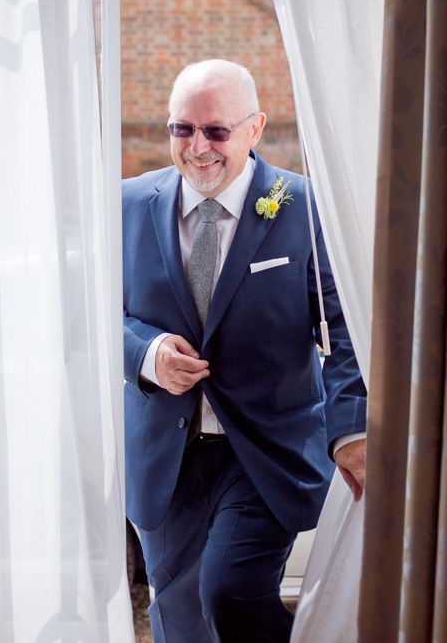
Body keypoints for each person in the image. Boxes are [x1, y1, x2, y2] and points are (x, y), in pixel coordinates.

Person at [121, 60, 367, 642]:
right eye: (183, 129)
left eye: (216, 131)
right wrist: (146, 353)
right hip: (166, 455)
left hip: (265, 451)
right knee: (178, 614)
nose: (198, 147)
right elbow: (89, 317)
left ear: (254, 129)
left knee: (229, 592)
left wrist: (352, 430)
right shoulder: (127, 205)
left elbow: (347, 328)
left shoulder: (304, 207)